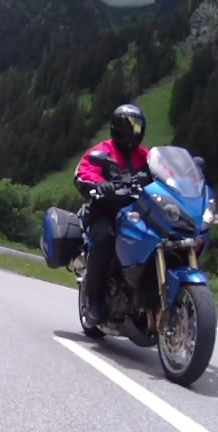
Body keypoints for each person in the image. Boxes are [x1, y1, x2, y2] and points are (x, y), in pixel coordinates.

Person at [74, 104, 152, 328]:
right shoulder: (103, 151)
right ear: (117, 127)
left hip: (136, 213)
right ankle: (94, 299)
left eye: (138, 126)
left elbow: (163, 171)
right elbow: (84, 172)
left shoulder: (145, 155)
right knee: (105, 238)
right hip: (104, 212)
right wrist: (100, 185)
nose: (134, 131)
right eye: (129, 126)